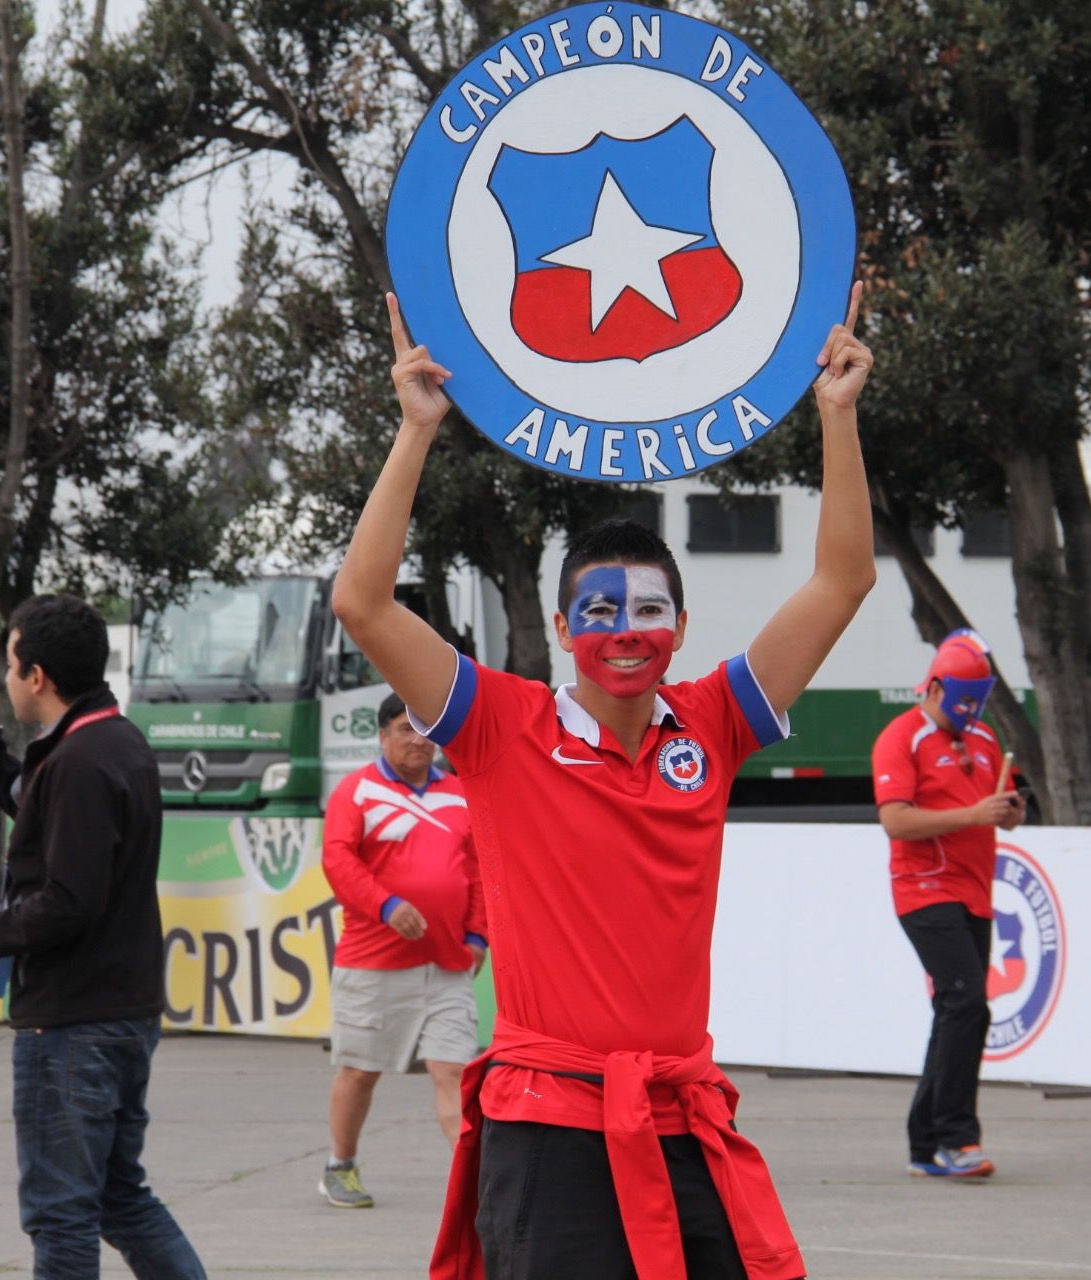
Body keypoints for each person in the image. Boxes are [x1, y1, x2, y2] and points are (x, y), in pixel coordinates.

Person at [334, 288, 874, 1279]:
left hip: (680, 1113)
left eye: (649, 608)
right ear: (564, 623)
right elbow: (362, 602)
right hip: (546, 1127)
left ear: (680, 623)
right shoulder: (499, 723)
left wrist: (837, 417)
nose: (625, 627)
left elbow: (842, 582)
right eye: (599, 609)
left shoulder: (713, 721)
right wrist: (415, 431)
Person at [0, 595, 205, 1279]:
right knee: (117, 1198)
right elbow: (36, 807)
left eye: (12, 665)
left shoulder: (82, 759)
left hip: (77, 1023)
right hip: (118, 1008)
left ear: (38, 675)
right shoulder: (108, 741)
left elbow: (70, 900)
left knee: (62, 1214)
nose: (8, 679)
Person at [317, 692, 485, 1209]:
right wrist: (386, 906)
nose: (417, 740)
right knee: (360, 1071)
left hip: (448, 965)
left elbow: (480, 870)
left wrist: (479, 936)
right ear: (383, 736)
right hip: (374, 963)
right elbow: (338, 862)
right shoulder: (357, 791)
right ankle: (340, 1165)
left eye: (426, 730)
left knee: (453, 1073)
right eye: (403, 729)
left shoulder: (461, 793)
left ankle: (477, 1187)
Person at [873, 629, 1023, 1178]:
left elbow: (995, 809)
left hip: (975, 893)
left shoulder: (982, 738)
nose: (968, 712)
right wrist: (973, 815)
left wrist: (1007, 813)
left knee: (954, 1011)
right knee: (967, 1004)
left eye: (976, 702)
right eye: (960, 701)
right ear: (933, 688)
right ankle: (957, 1138)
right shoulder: (901, 737)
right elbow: (895, 820)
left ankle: (924, 1143)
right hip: (923, 890)